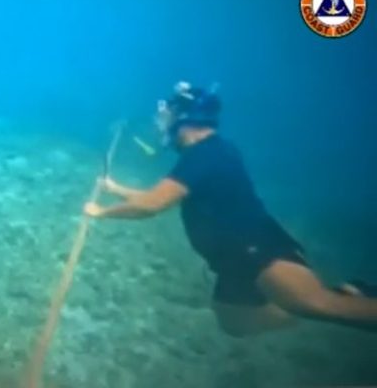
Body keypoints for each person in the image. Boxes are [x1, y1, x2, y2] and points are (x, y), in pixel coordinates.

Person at [83, 81, 377, 336]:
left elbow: (150, 206)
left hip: (257, 247)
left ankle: (348, 300)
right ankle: (346, 295)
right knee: (236, 322)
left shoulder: (206, 155)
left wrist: (101, 213)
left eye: (167, 113)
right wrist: (115, 188)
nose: (161, 121)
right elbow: (163, 195)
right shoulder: (205, 154)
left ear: (184, 118)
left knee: (317, 304)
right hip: (231, 259)